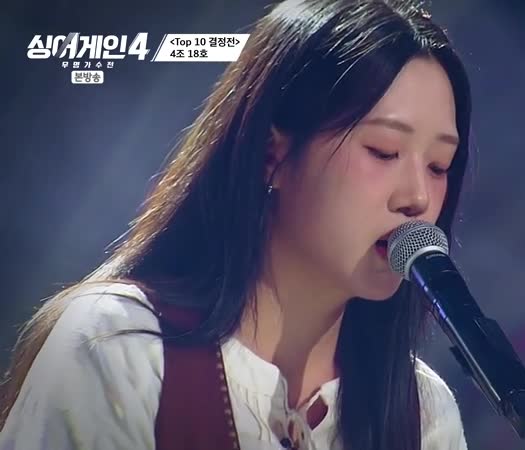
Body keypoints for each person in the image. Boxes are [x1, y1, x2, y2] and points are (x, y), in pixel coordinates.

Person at [0, 0, 473, 449]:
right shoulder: (120, 344)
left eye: (439, 166)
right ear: (272, 154)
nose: (417, 197)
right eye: (384, 152)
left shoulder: (423, 414)